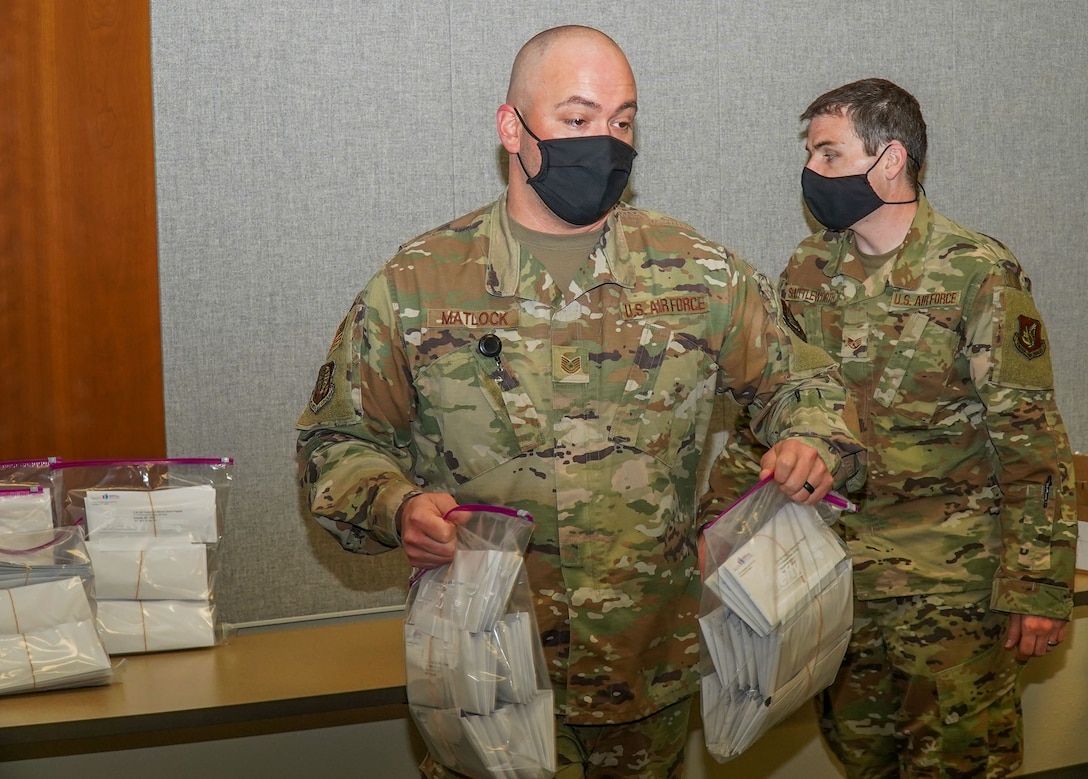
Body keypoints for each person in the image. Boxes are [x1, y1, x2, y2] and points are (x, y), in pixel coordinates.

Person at [296, 26, 864, 778]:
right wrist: (397, 507)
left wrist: (812, 439)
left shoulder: (698, 274)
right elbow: (333, 443)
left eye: (622, 121)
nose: (605, 142)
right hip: (485, 677)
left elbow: (809, 386)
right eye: (577, 118)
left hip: (647, 677)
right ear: (512, 129)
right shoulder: (420, 283)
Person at [778, 77, 1078, 778]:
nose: (813, 172)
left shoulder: (979, 273)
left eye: (829, 154)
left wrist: (1037, 588)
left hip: (954, 594)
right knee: (865, 763)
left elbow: (1032, 443)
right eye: (813, 156)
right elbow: (781, 411)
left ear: (889, 160)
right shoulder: (807, 271)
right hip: (842, 587)